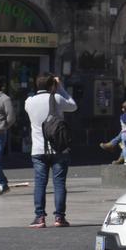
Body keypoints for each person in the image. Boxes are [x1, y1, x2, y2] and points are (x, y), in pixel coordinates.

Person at [24, 74, 77, 228]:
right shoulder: (58, 99)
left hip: (38, 150)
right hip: (59, 149)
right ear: (52, 85)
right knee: (59, 183)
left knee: (40, 183)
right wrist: (61, 88)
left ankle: (39, 217)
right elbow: (73, 106)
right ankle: (59, 218)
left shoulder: (29, 102)